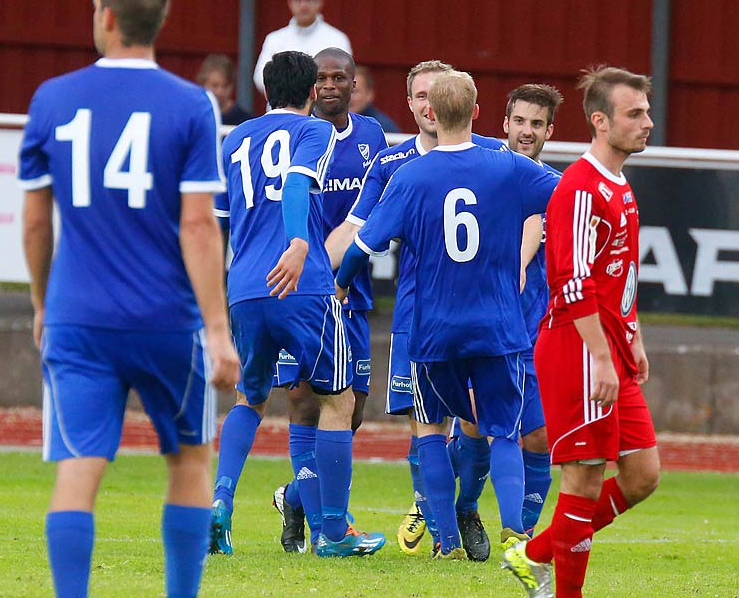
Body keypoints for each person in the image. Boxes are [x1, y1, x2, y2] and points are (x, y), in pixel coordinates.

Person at [19, 0, 242, 598]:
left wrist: (41, 302)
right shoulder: (190, 106)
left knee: (80, 465)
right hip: (165, 319)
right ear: (157, 21)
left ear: (107, 17)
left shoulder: (53, 97)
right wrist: (217, 329)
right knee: (190, 458)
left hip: (79, 319)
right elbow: (199, 226)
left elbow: (34, 219)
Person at [335, 71, 557, 559]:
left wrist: (342, 281)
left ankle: (448, 542)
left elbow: (362, 246)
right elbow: (566, 196)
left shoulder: (411, 177)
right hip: (498, 325)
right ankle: (516, 534)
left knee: (432, 427)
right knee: (503, 431)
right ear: (478, 113)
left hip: (433, 328)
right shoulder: (507, 167)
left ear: (430, 113)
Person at [502, 66, 663, 598]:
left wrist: (633, 333)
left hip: (612, 343)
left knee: (642, 474)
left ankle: (534, 552)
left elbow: (617, 272)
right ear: (600, 121)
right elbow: (571, 284)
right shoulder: (578, 187)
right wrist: (599, 355)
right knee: (584, 477)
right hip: (577, 345)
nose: (647, 122)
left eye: (645, 111)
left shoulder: (619, 185)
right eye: (634, 113)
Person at [210, 51, 383, 559]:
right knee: (338, 399)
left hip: (245, 286)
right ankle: (333, 532)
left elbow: (220, 220)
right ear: (311, 93)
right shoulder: (317, 133)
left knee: (250, 397)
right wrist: (298, 243)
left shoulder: (235, 138)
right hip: (302, 284)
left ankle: (219, 506)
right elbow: (296, 184)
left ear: (265, 91)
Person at [270, 47, 387, 553]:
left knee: (352, 411)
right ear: (310, 86)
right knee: (303, 404)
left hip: (353, 292)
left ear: (355, 83)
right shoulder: (294, 136)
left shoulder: (373, 137)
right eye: (322, 78)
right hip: (302, 290)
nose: (331, 85)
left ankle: (297, 497)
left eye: (341, 77)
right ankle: (323, 528)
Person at [453, 85, 564, 541]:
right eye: (520, 121)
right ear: (504, 123)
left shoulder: (557, 187)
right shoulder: (486, 176)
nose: (527, 131)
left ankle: (523, 531)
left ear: (549, 131)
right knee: (475, 425)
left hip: (536, 331)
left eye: (536, 124)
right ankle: (463, 508)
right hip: (485, 326)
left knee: (538, 437)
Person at [252, 0, 352, 95]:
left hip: (320, 112)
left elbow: (344, 78)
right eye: (298, 0)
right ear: (290, 2)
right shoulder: (274, 39)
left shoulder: (337, 39)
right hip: (282, 109)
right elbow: (260, 79)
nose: (303, 5)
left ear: (320, 1)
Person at [197, 53, 252, 126]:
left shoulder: (243, 119)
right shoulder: (196, 114)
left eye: (225, 86)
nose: (220, 91)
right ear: (203, 84)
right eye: (215, 85)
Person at [350, 65, 400, 133]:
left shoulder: (382, 127)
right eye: (345, 91)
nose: (349, 97)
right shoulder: (331, 123)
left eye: (354, 92)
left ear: (369, 94)